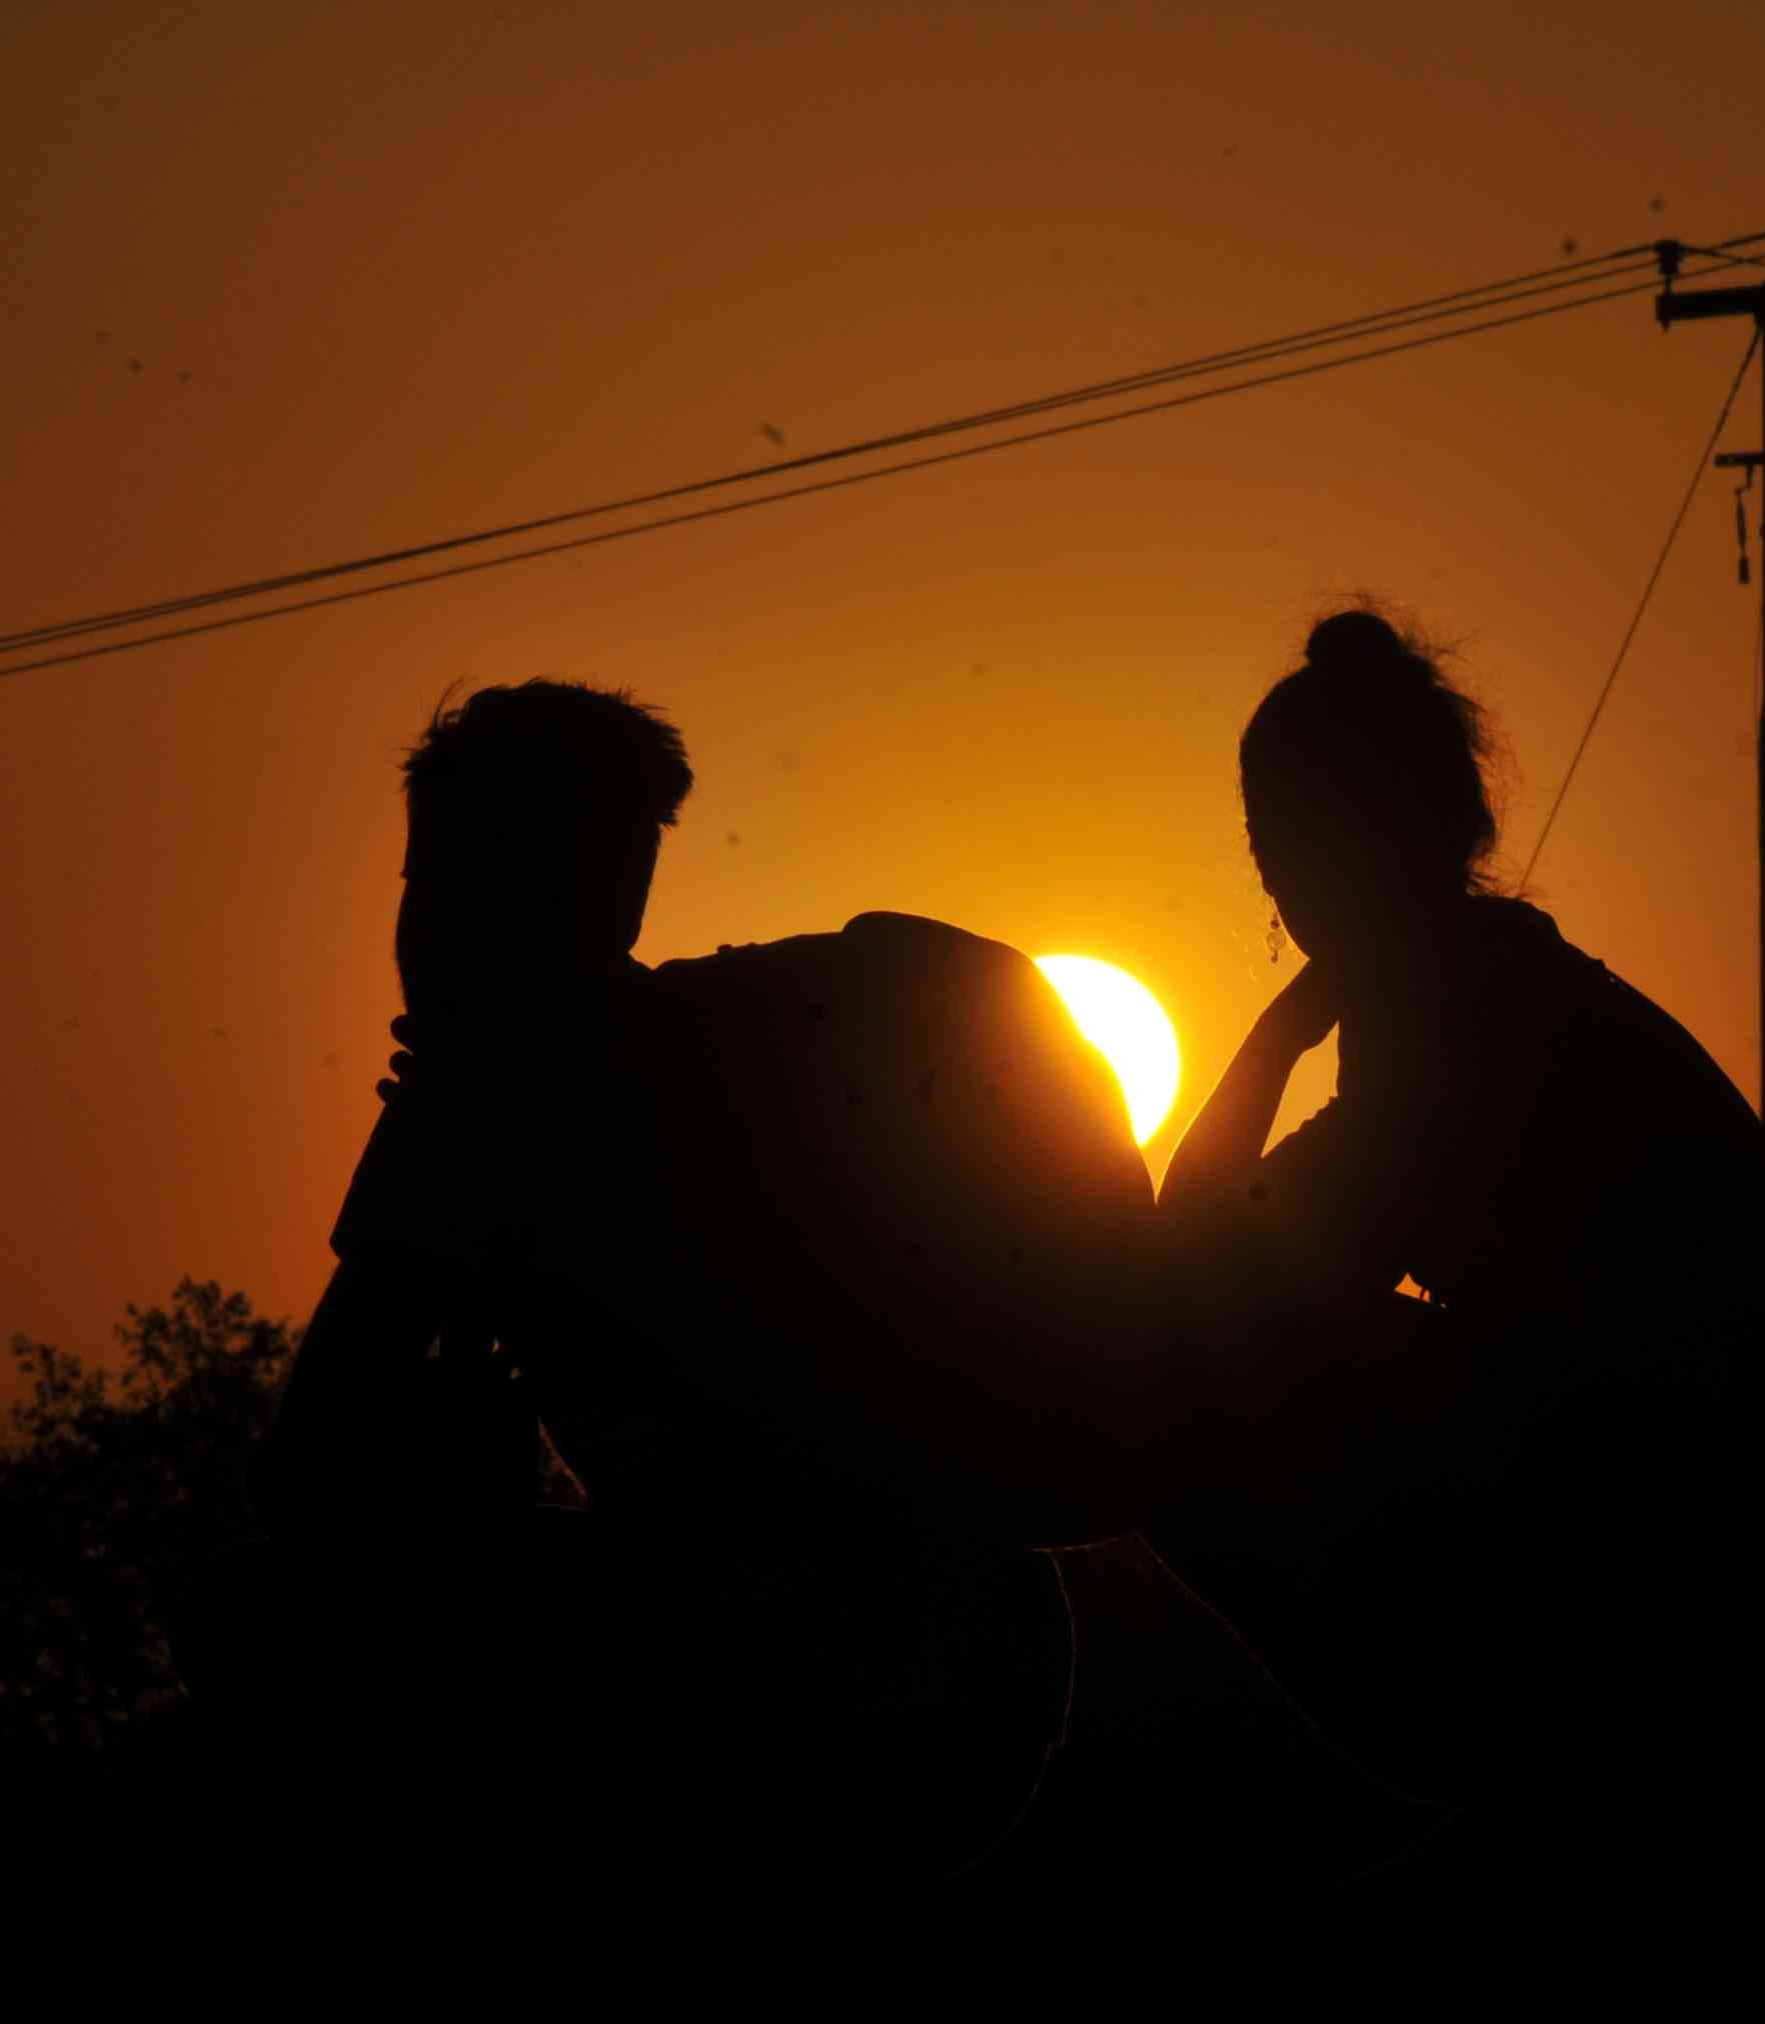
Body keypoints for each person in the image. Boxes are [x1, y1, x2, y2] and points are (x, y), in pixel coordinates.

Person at [205, 679, 1156, 1891]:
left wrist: (448, 1453)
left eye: (437, 886)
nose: (416, 930)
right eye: (413, 888)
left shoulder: (487, 1098)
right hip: (988, 1666)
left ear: (538, 898)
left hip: (817, 1684)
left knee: (265, 1618)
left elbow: (306, 1475)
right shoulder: (744, 1028)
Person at [1145, 608, 1765, 1888]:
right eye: (1269, 851)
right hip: (1731, 1525)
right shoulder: (1465, 1005)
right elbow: (1218, 1252)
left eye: (1300, 844)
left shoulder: (1479, 1024)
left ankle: (1547, 1773)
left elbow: (1203, 1279)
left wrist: (1273, 1045)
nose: (1284, 883)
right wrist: (1279, 1041)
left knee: (1180, 1405)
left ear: (1407, 830)